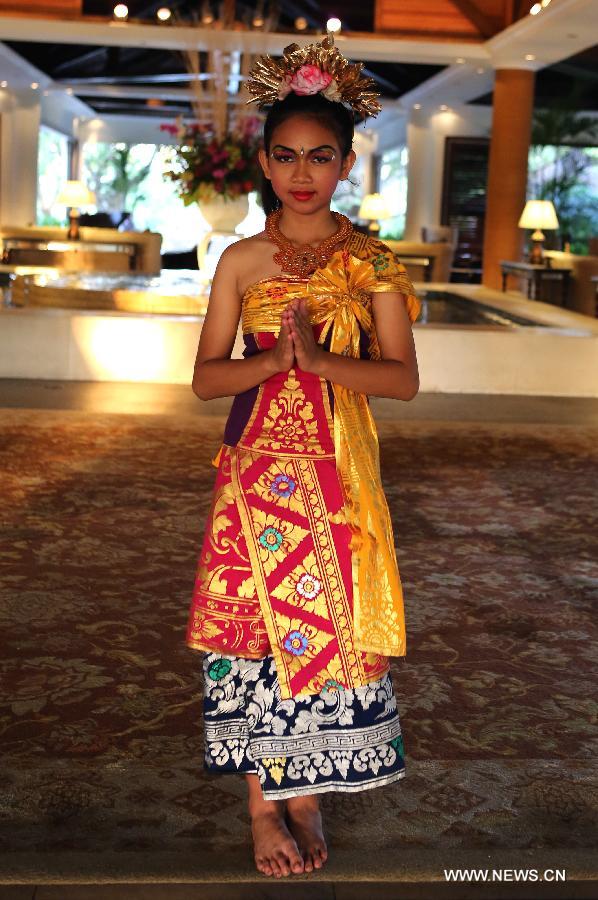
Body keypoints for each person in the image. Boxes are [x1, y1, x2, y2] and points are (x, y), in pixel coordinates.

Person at [185, 34, 421, 880]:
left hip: (338, 480)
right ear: (264, 160)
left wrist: (322, 365)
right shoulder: (241, 261)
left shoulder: (374, 262)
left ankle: (309, 790)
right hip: (254, 476)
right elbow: (207, 380)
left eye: (320, 156)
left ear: (349, 161)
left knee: (329, 639)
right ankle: (261, 805)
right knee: (251, 639)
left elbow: (402, 380)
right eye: (285, 155)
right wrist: (273, 364)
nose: (302, 173)